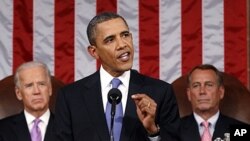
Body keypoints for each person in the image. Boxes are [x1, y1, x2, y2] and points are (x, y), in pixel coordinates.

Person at [54, 12, 180, 141]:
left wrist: (153, 132)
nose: (122, 44)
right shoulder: (70, 97)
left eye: (125, 35)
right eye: (110, 40)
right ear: (94, 52)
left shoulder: (161, 92)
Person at [179, 64, 249, 141]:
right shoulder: (171, 130)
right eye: (196, 85)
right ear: (189, 94)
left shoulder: (241, 130)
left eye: (209, 85)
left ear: (221, 92)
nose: (202, 91)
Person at [0, 61, 55, 141]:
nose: (36, 91)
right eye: (29, 86)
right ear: (18, 93)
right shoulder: (2, 129)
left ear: (50, 89)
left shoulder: (68, 128)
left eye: (41, 84)